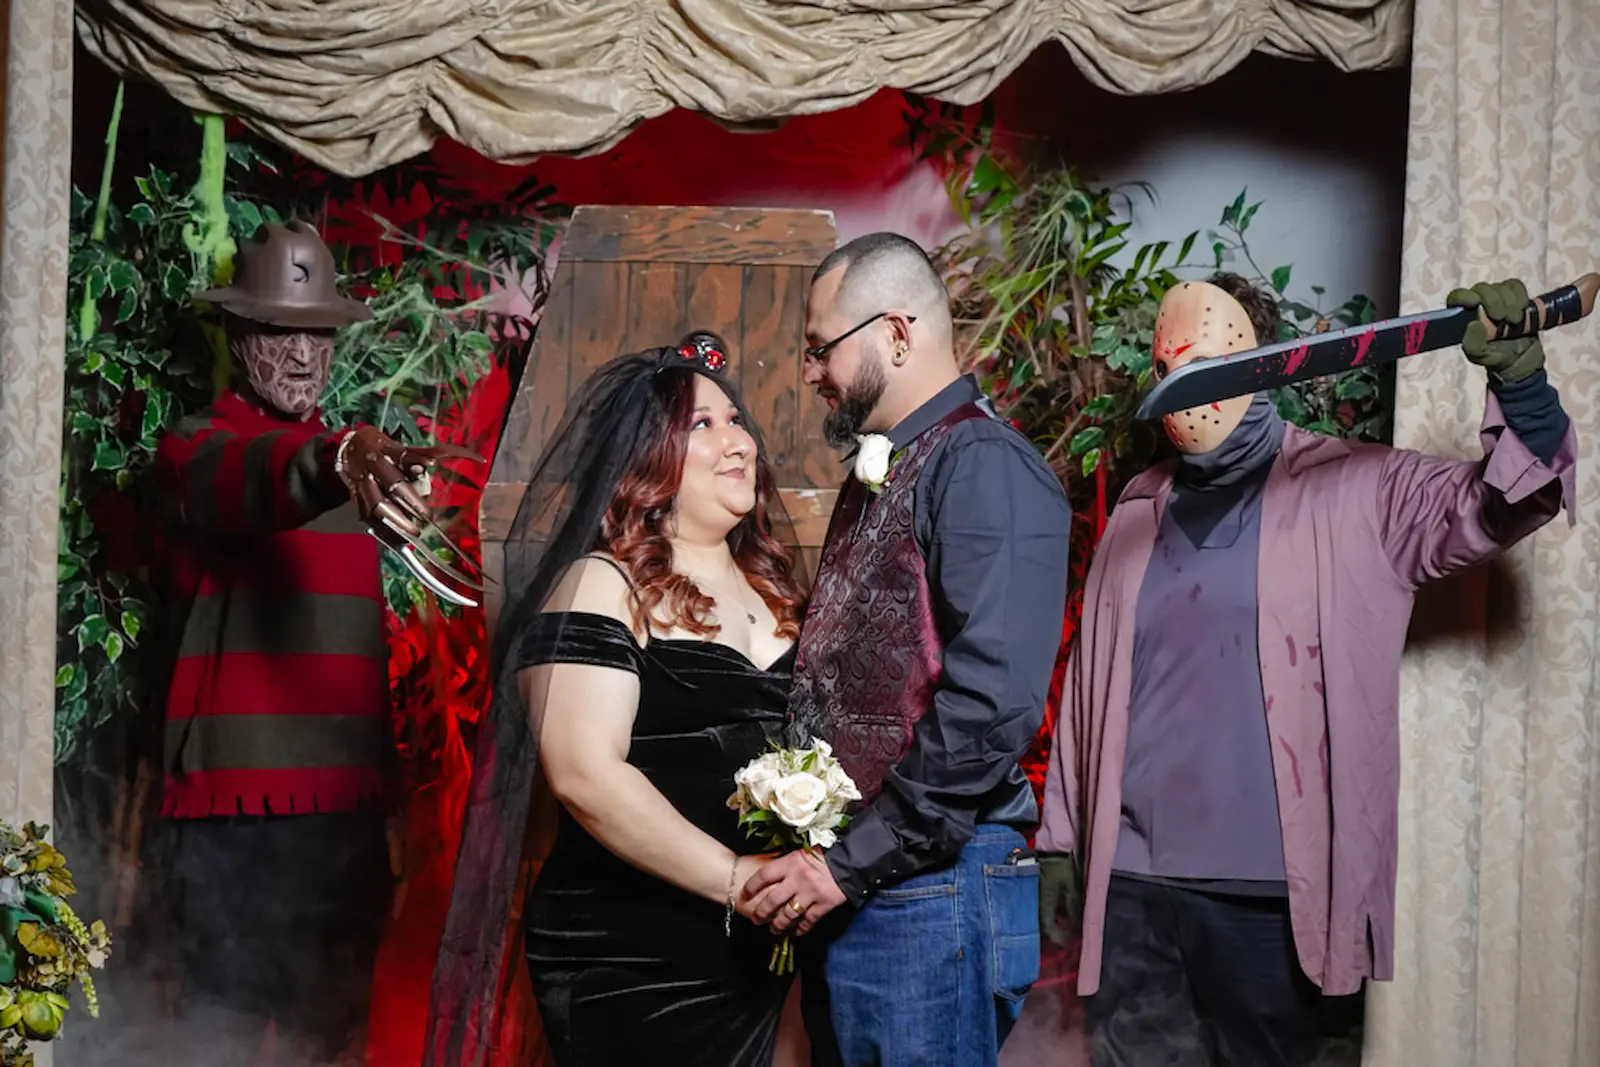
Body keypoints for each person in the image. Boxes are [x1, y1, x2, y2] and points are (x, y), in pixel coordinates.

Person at [1036, 273, 1576, 1066]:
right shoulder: (1135, 509)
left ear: (1267, 364)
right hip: (1136, 893)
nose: (1182, 383)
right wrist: (1061, 841)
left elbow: (1505, 503)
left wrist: (1519, 381)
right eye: (1167, 367)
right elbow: (1089, 688)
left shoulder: (1360, 487)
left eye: (1207, 362)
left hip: (1271, 904)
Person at [424, 332, 811, 1067]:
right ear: (647, 460)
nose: (738, 441)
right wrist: (738, 880)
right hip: (635, 955)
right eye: (703, 425)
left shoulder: (780, 589)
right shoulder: (602, 585)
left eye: (736, 420)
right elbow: (583, 775)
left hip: (763, 950)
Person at [742, 232, 1074, 1067]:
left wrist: (848, 862)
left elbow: (992, 705)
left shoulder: (985, 464)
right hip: (872, 887)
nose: (811, 370)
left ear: (896, 333)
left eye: (821, 347)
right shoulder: (893, 466)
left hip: (932, 891)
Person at [156, 221, 468, 1066]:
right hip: (232, 824)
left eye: (318, 334)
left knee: (332, 1042)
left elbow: (360, 667)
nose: (302, 355)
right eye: (279, 331)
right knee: (212, 1039)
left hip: (345, 825)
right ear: (237, 337)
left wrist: (392, 805)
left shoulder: (358, 478)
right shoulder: (198, 450)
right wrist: (332, 458)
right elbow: (254, 478)